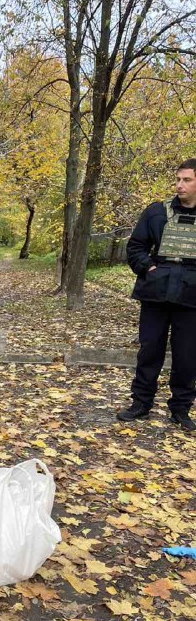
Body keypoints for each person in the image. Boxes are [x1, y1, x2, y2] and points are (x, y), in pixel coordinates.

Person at [117, 158, 196, 431]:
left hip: (192, 297)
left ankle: (181, 409)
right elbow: (136, 246)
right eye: (178, 179)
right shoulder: (156, 212)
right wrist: (148, 268)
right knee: (150, 350)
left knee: (188, 356)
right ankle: (141, 403)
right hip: (156, 293)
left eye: (187, 180)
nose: (179, 185)